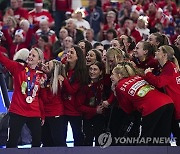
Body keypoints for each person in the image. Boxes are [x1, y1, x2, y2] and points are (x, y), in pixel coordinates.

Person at [103, 62, 174, 145]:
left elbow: (128, 110)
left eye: (112, 74)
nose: (111, 76)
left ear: (119, 75)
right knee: (163, 137)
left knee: (144, 139)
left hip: (152, 108)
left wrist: (115, 92)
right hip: (168, 102)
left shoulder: (119, 86)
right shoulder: (137, 77)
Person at [0, 47, 45, 148]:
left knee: (37, 142)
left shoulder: (42, 75)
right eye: (29, 54)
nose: (30, 57)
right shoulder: (18, 68)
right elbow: (3, 59)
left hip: (34, 112)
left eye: (33, 56)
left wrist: (42, 114)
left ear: (39, 60)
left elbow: (41, 98)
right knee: (12, 142)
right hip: (17, 111)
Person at [144, 45, 180, 145]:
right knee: (174, 131)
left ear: (164, 54)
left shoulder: (169, 67)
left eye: (159, 50)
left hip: (174, 103)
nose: (156, 52)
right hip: (172, 102)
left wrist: (148, 74)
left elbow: (160, 83)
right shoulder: (168, 66)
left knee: (172, 131)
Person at [58, 45, 89, 146]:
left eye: (72, 53)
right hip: (63, 110)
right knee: (61, 138)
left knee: (78, 138)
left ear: (78, 57)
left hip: (75, 111)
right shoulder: (63, 68)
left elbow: (72, 90)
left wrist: (64, 80)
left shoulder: (81, 73)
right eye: (68, 52)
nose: (68, 54)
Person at [77, 62, 105, 146]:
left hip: (101, 117)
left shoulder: (104, 83)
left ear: (100, 72)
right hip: (88, 118)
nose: (92, 72)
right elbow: (79, 106)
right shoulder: (84, 86)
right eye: (90, 69)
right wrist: (95, 110)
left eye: (95, 69)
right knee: (88, 141)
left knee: (100, 142)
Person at [40, 59, 66, 147]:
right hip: (46, 115)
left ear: (54, 70)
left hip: (55, 115)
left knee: (58, 141)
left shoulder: (58, 82)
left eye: (48, 65)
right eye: (47, 63)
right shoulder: (46, 79)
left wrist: (43, 88)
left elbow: (47, 100)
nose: (46, 65)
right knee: (47, 142)